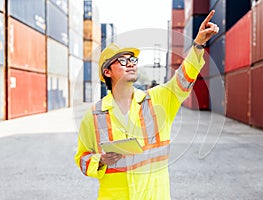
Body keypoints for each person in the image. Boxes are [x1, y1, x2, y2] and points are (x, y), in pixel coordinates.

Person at [74, 10, 219, 200]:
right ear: (107, 72)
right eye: (123, 60)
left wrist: (198, 45)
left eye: (133, 60)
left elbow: (183, 80)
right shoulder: (93, 115)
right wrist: (100, 160)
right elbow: (82, 158)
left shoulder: (158, 99)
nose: (131, 64)